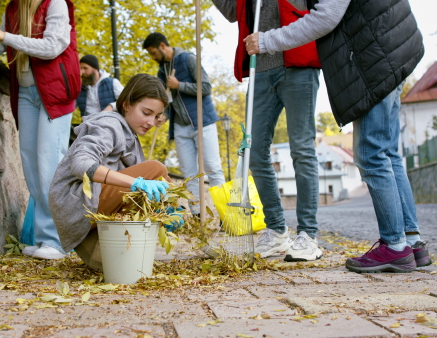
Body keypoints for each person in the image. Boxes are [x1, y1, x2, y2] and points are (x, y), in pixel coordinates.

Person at [244, 0, 432, 272]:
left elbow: (325, 17)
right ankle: (411, 243)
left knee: (372, 154)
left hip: (376, 51)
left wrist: (268, 40)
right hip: (391, 45)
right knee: (388, 153)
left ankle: (394, 246)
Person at [211, 0, 323, 261]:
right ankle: (277, 230)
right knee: (255, 150)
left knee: (302, 149)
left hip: (298, 63)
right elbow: (232, 12)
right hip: (260, 68)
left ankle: (308, 234)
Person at [0, 0, 81, 259]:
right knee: (32, 168)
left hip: (55, 93)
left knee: (49, 165)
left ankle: (58, 242)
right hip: (25, 93)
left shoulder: (55, 4)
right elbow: (0, 45)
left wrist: (7, 36)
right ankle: (45, 238)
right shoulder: (12, 9)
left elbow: (54, 46)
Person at [49, 73, 172, 270]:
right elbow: (80, 164)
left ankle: (110, 251)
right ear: (127, 104)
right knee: (156, 169)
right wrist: (134, 183)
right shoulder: (108, 124)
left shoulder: (131, 136)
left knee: (157, 182)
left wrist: (167, 209)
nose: (150, 122)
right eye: (146, 112)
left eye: (156, 116)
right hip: (78, 205)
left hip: (93, 234)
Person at [142, 32, 226, 217]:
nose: (153, 57)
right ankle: (197, 215)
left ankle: (226, 215)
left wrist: (179, 85)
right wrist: (162, 114)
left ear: (163, 46)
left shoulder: (189, 59)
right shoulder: (162, 71)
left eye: (154, 53)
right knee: (189, 174)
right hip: (180, 126)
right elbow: (166, 99)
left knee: (213, 168)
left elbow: (206, 88)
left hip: (202, 121)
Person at [70, 54, 124, 143]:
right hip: (89, 130)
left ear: (95, 69)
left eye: (85, 68)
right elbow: (70, 106)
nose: (81, 72)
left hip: (111, 128)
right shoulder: (80, 88)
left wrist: (111, 106)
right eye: (80, 69)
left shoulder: (112, 83)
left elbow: (127, 101)